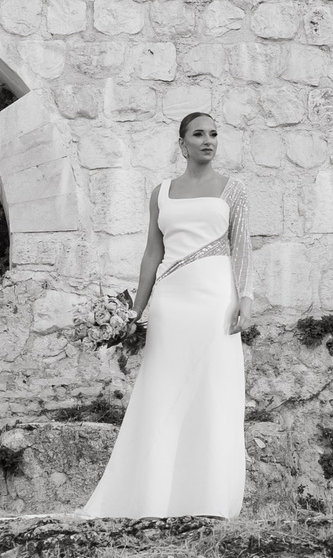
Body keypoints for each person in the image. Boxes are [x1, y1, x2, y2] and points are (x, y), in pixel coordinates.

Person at [81, 112, 253, 518]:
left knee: (211, 392)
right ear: (182, 144)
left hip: (214, 301)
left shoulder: (234, 190)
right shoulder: (161, 193)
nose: (208, 140)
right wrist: (133, 310)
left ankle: (207, 500)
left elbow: (242, 247)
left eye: (214, 133)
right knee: (161, 392)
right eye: (198, 134)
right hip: (171, 303)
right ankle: (152, 497)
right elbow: (152, 254)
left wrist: (245, 298)